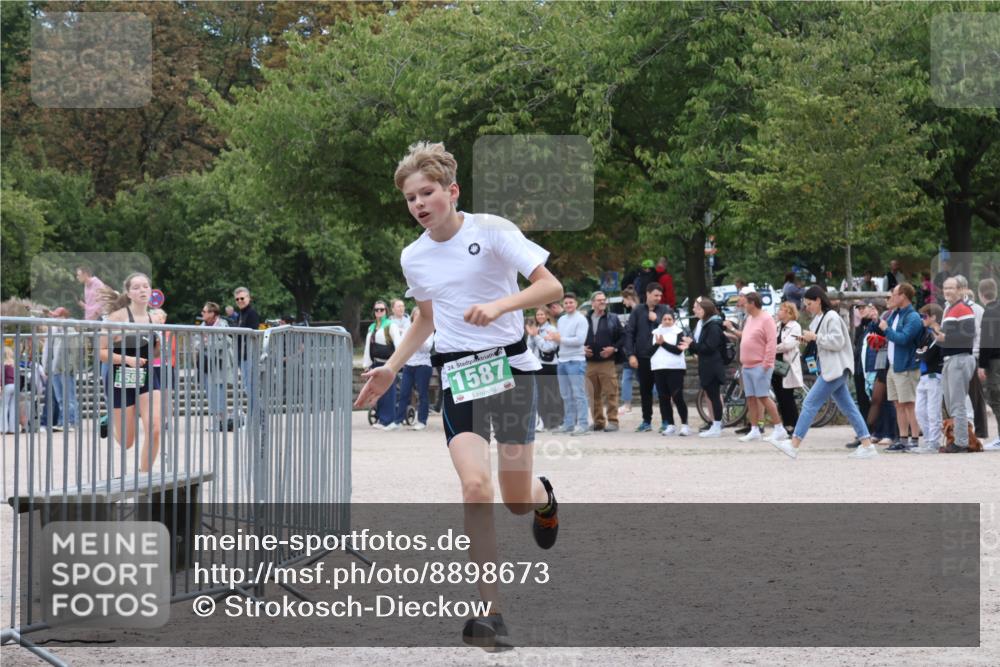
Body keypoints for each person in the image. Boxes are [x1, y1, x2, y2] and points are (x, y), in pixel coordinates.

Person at [354, 141, 563, 650]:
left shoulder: (491, 230)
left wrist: (500, 306)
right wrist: (391, 368)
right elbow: (426, 318)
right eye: (410, 198)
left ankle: (543, 497)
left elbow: (551, 287)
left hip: (511, 370)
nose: (418, 204)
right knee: (474, 487)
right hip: (459, 376)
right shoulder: (414, 256)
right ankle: (491, 614)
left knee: (515, 500)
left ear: (452, 191)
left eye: (427, 193)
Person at [768, 286, 877, 459]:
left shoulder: (831, 316)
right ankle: (867, 445)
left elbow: (837, 342)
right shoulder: (821, 318)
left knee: (810, 403)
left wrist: (815, 337)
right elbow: (826, 342)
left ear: (818, 300)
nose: (807, 307)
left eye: (809, 303)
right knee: (848, 407)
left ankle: (794, 444)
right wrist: (809, 339)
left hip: (834, 369)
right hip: (833, 368)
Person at [98, 273, 163, 472]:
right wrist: (127, 359)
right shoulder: (117, 318)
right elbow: (101, 352)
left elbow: (154, 352)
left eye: (145, 286)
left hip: (146, 375)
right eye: (136, 287)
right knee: (127, 442)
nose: (142, 290)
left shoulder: (155, 318)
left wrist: (159, 345)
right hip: (120, 376)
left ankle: (144, 477)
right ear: (128, 293)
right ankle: (111, 422)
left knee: (155, 429)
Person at [727, 291, 785, 443]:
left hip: (760, 365)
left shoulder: (766, 319)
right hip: (747, 365)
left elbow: (771, 343)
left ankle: (779, 428)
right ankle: (754, 430)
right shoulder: (749, 319)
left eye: (745, 303)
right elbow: (746, 337)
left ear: (752, 303)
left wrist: (766, 364)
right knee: (751, 398)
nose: (743, 305)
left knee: (763, 397)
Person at [930, 276, 977, 453]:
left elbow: (969, 334)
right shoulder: (950, 309)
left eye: (951, 288)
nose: (947, 291)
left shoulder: (963, 308)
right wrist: (938, 334)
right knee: (951, 404)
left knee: (957, 404)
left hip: (960, 358)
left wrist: (945, 337)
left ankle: (962, 442)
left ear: (960, 290)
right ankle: (957, 440)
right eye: (945, 288)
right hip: (951, 359)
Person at [878, 283, 924, 452]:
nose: (891, 297)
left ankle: (915, 440)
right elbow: (886, 332)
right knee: (898, 404)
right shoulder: (895, 313)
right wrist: (878, 323)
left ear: (903, 296)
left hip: (906, 367)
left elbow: (903, 339)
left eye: (894, 294)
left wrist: (886, 330)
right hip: (894, 366)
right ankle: (903, 439)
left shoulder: (913, 317)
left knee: (909, 404)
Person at [623, 282, 671, 432]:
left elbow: (672, 330)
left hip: (661, 357)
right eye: (655, 295)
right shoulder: (637, 311)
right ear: (648, 294)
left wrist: (657, 320)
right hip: (643, 357)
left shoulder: (665, 310)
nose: (658, 298)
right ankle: (646, 421)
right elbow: (629, 333)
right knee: (645, 391)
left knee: (663, 391)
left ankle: (666, 421)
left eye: (660, 295)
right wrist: (631, 355)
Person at [584, 291, 623, 432]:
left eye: (604, 299)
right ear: (592, 303)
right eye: (599, 300)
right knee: (593, 394)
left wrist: (614, 348)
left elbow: (623, 336)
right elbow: (577, 337)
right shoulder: (585, 319)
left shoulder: (613, 318)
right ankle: (598, 422)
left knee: (611, 392)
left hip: (607, 362)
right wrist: (581, 348)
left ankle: (613, 421)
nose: (602, 302)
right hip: (589, 363)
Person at [551, 293, 590, 435]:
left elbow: (580, 340)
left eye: (571, 302)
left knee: (579, 394)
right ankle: (569, 424)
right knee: (566, 395)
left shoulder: (581, 319)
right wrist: (552, 339)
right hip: (561, 360)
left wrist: (560, 339)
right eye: (566, 303)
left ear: (576, 303)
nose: (568, 305)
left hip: (576, 360)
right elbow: (559, 339)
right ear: (563, 305)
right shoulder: (561, 320)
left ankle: (583, 425)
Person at [362, 300, 404, 430]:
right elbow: (368, 347)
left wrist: (397, 363)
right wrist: (367, 364)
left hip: (388, 365)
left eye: (382, 309)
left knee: (388, 392)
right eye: (377, 310)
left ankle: (388, 420)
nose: (379, 312)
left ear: (386, 311)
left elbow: (398, 344)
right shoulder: (372, 327)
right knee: (377, 391)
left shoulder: (391, 325)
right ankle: (381, 418)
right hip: (376, 363)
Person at [689, 298, 728, 438]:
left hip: (713, 365)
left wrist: (692, 344)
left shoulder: (713, 326)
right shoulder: (707, 324)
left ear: (706, 310)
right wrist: (691, 345)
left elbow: (709, 347)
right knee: (711, 396)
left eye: (699, 309)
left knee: (714, 396)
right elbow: (702, 347)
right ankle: (715, 425)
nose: (697, 311)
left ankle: (717, 425)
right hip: (707, 365)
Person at [195, 302, 234, 432]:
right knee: (210, 393)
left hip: (219, 364)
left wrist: (208, 344)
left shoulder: (223, 325)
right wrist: (207, 344)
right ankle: (218, 421)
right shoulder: (202, 326)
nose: (202, 313)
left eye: (204, 311)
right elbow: (196, 343)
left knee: (219, 392)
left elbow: (226, 342)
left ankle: (223, 421)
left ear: (212, 313)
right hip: (206, 364)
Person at [650, 309, 689, 436]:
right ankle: (670, 425)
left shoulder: (679, 332)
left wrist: (663, 344)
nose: (667, 321)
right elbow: (649, 351)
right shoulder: (655, 332)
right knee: (663, 398)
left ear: (674, 320)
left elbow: (678, 350)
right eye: (665, 319)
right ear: (661, 320)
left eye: (669, 319)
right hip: (659, 368)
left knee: (677, 397)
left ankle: (685, 425)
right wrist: (657, 344)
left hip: (675, 369)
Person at [912, 303, 945, 454]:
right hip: (923, 376)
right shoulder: (927, 334)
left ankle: (934, 442)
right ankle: (928, 440)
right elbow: (918, 353)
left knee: (933, 411)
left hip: (934, 376)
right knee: (919, 411)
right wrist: (921, 353)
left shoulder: (938, 333)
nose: (922, 319)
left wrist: (921, 353)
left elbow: (927, 355)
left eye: (925, 316)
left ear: (934, 317)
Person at [394, 304, 432, 430]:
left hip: (423, 365)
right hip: (409, 365)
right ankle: (398, 421)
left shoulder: (429, 329)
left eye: (420, 315)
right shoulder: (408, 330)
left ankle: (422, 421)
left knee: (422, 394)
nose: (418, 318)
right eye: (416, 315)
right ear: (412, 317)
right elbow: (401, 345)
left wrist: (418, 337)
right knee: (404, 393)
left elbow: (427, 348)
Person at [526, 306, 563, 431]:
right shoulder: (535, 329)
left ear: (547, 316)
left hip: (549, 365)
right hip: (537, 365)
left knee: (551, 394)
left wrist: (536, 336)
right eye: (538, 315)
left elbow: (548, 348)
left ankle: (555, 422)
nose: (540, 317)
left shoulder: (552, 329)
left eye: (542, 314)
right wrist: (532, 336)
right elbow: (529, 348)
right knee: (540, 395)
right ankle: (544, 422)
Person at [46, 307, 80, 430]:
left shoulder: (70, 330)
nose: (55, 319)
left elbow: (75, 351)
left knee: (69, 398)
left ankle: (71, 422)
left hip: (66, 369)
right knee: (60, 398)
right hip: (55, 369)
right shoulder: (55, 331)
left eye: (57, 316)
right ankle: (63, 422)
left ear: (64, 317)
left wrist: (70, 367)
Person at [773, 302, 803, 436]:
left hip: (787, 365)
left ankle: (795, 426)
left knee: (787, 396)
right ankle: (786, 425)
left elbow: (788, 344)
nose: (778, 312)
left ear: (789, 313)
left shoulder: (795, 327)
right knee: (779, 396)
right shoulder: (777, 326)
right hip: (776, 364)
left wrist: (772, 348)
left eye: (781, 310)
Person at [977, 278, 1000, 449]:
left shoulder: (989, 312)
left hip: (994, 362)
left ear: (980, 294)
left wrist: (982, 364)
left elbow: (986, 341)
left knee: (996, 398)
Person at [233, 287, 260, 423]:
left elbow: (252, 333)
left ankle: (257, 419)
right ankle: (255, 419)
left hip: (249, 355)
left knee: (251, 388)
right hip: (242, 356)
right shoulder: (240, 314)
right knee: (248, 388)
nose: (240, 301)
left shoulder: (252, 313)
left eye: (242, 298)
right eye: (237, 299)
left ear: (249, 298)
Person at [618, 285, 639, 413]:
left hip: (634, 351)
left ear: (629, 298)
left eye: (624, 299)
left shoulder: (636, 312)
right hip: (633, 350)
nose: (623, 302)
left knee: (629, 378)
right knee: (629, 377)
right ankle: (627, 404)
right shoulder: (636, 311)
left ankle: (627, 405)